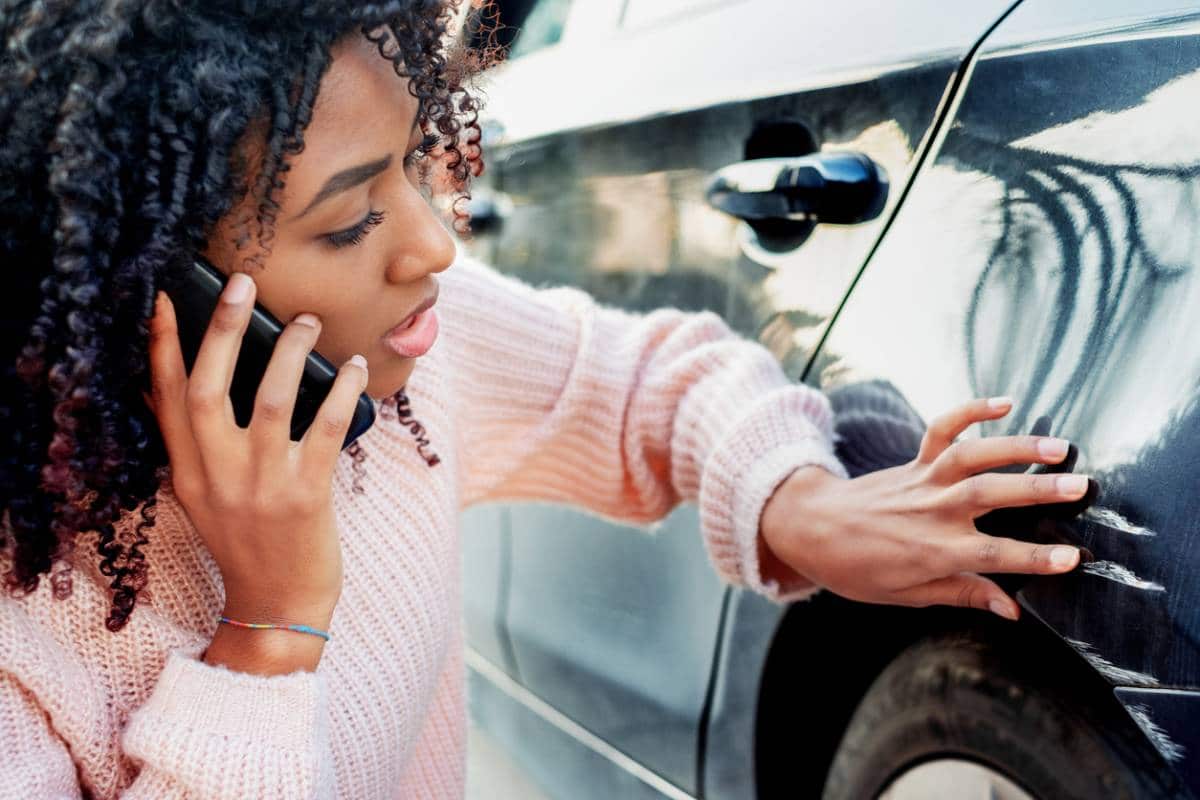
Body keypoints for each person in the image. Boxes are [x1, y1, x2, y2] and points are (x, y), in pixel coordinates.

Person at [0, 2, 1091, 797]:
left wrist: (795, 503)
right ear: (141, 288)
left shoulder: (406, 362)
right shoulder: (26, 635)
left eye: (413, 166)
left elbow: (647, 382)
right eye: (348, 222)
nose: (434, 243)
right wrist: (267, 635)